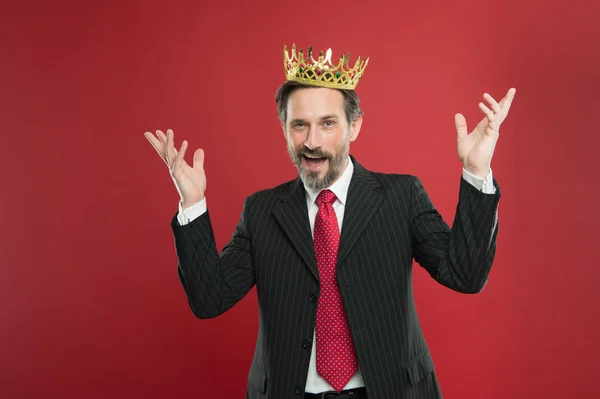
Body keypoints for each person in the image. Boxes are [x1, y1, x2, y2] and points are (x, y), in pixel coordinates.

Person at [144, 44, 516, 399]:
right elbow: (210, 299)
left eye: (327, 124)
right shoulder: (261, 211)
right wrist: (192, 203)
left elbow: (465, 276)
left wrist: (475, 169)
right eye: (299, 125)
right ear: (284, 129)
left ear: (354, 127)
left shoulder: (401, 197)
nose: (312, 141)